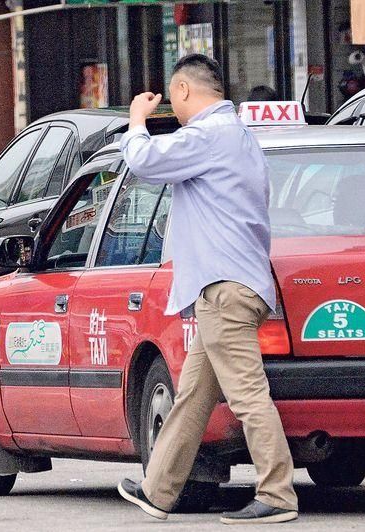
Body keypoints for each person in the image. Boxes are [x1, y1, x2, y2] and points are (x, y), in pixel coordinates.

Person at [116, 54, 298, 525]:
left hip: (225, 288)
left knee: (247, 394)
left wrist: (137, 120)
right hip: (233, 285)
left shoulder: (208, 134)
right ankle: (159, 490)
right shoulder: (236, 135)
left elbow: (145, 161)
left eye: (172, 100)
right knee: (193, 395)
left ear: (182, 91)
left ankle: (277, 494)